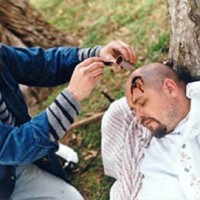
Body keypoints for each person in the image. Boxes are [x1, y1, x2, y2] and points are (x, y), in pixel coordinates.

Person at [0, 40, 136, 200]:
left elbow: (42, 64)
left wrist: (95, 54)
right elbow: (13, 145)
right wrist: (71, 97)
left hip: (15, 162)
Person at [101, 62, 200, 200]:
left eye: (142, 103)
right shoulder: (151, 151)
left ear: (170, 89)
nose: (139, 116)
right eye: (134, 110)